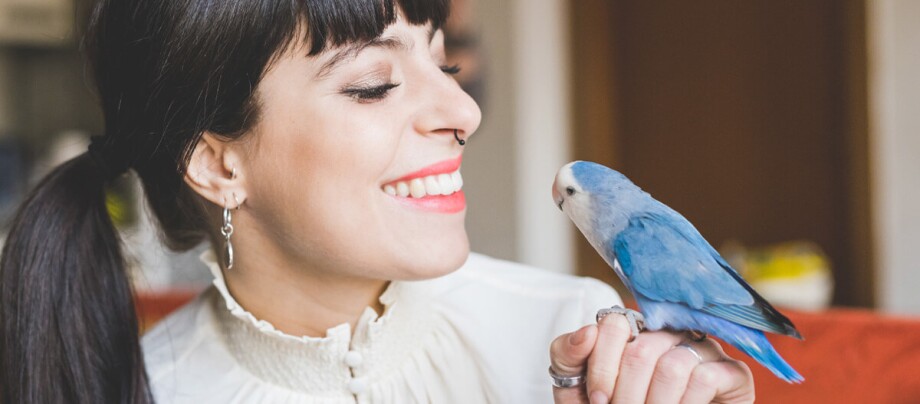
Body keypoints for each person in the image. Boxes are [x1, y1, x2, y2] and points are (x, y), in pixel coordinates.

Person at [0, 0, 755, 402]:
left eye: (443, 60)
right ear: (217, 164)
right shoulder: (141, 392)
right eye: (374, 85)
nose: (465, 113)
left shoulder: (584, 344)